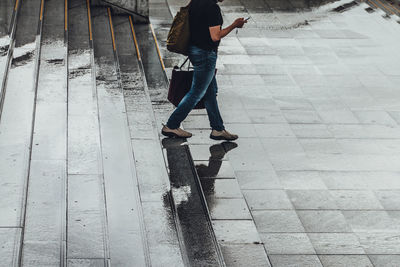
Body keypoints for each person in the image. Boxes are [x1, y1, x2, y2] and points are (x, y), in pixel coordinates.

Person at [162, 0, 247, 141]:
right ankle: (172, 125)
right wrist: (234, 25)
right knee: (197, 92)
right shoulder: (212, 8)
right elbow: (215, 36)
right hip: (206, 54)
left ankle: (218, 129)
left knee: (210, 91)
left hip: (194, 50)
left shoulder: (196, 1)